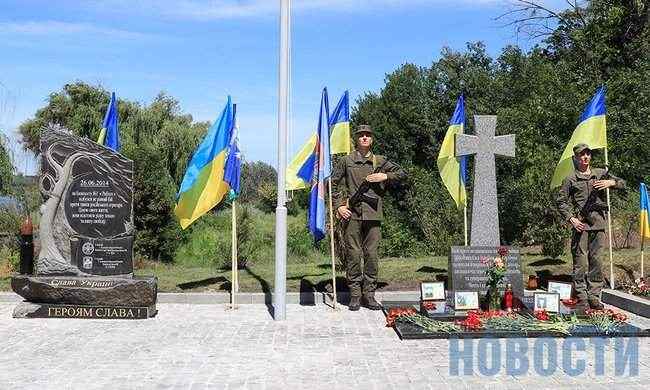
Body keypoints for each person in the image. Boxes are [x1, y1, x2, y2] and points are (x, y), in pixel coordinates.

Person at [332, 125, 406, 311]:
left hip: (373, 214)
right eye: (361, 135)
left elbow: (402, 173)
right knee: (353, 254)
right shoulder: (346, 161)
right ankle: (355, 295)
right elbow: (332, 183)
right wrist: (339, 205)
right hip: (353, 214)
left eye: (368, 135)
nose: (364, 138)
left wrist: (384, 175)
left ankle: (369, 295)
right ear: (356, 139)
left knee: (371, 255)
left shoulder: (379, 161)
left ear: (372, 139)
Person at [556, 143, 625, 312]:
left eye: (587, 154)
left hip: (598, 225)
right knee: (580, 263)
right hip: (581, 226)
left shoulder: (600, 174)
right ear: (576, 158)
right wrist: (571, 218)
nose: (585, 157)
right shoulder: (570, 179)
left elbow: (623, 183)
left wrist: (611, 182)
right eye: (581, 155)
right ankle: (582, 297)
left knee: (597, 262)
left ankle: (594, 296)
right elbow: (561, 202)